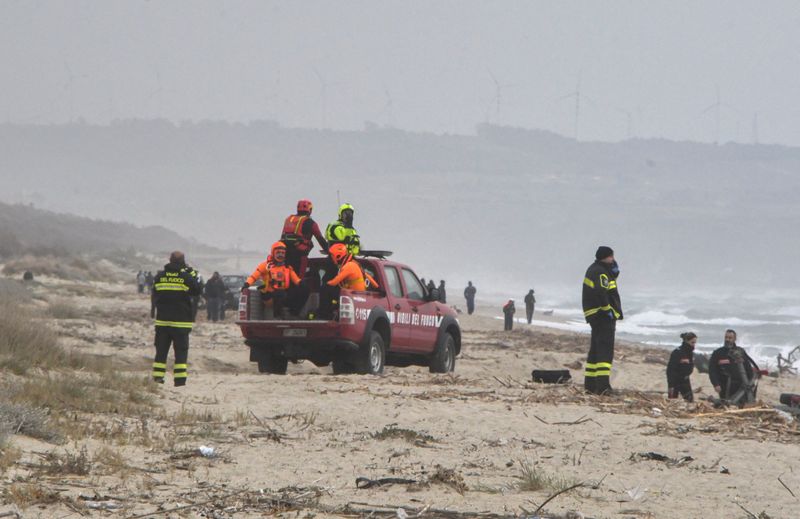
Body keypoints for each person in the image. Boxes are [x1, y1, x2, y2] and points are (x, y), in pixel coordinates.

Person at [150, 251, 201, 386]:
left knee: (160, 352)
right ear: (182, 261)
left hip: (162, 322)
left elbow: (154, 294)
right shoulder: (185, 277)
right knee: (181, 353)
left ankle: (157, 379)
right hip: (181, 323)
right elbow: (197, 289)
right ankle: (179, 382)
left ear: (169, 260)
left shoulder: (159, 277)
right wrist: (192, 273)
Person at [582, 246, 623, 395]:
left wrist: (614, 272)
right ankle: (603, 387)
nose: (613, 260)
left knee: (595, 351)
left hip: (594, 315)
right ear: (606, 257)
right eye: (612, 257)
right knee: (605, 352)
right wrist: (608, 310)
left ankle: (590, 384)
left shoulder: (595, 269)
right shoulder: (600, 272)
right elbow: (601, 292)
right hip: (602, 316)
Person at [243, 242, 308, 318]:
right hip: (269, 295)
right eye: (278, 253)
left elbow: (296, 280)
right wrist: (247, 284)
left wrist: (302, 285)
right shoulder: (266, 266)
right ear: (273, 253)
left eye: (283, 253)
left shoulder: (288, 267)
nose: (280, 255)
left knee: (304, 289)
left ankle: (294, 313)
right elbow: (254, 276)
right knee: (280, 293)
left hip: (283, 294)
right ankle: (277, 316)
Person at [280, 199, 329, 278]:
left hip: (285, 256)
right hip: (300, 256)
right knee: (298, 280)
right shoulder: (311, 223)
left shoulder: (289, 219)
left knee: (287, 278)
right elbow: (320, 240)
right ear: (310, 210)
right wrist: (329, 251)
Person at [709, 329, 759, 403]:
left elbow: (748, 368)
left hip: (741, 385)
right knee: (726, 404)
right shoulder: (718, 353)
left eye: (730, 338)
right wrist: (716, 384)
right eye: (726, 337)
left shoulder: (740, 351)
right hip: (725, 386)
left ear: (735, 339)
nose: (727, 340)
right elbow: (712, 370)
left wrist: (751, 383)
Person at [667, 332, 697, 402]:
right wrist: (671, 385)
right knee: (672, 402)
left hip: (685, 380)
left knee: (690, 401)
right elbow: (670, 369)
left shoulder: (690, 353)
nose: (694, 345)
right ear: (686, 341)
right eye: (692, 342)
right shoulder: (677, 352)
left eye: (695, 343)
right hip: (675, 381)